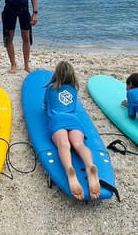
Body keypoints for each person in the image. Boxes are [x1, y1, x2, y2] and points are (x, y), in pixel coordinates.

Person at [44, 61, 100, 201]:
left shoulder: (51, 88)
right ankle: (90, 165)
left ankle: (69, 169)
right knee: (79, 145)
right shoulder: (74, 90)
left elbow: (45, 104)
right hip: (73, 120)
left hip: (57, 119)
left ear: (56, 74)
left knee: (64, 144)